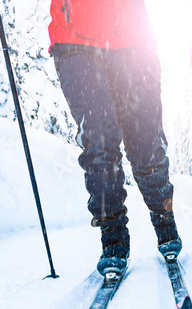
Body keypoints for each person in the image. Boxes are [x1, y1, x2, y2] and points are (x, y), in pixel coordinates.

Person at [48, 0, 182, 275]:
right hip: (75, 41)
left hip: (134, 40)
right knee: (98, 141)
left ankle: (163, 216)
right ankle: (113, 236)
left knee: (146, 144)